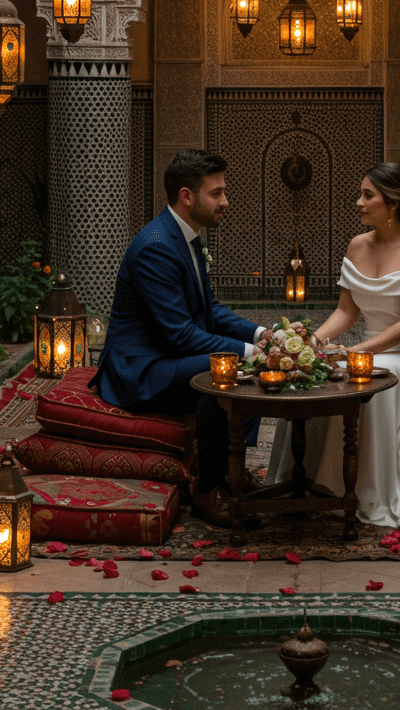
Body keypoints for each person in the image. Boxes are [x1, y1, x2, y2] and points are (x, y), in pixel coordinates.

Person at [91, 149, 270, 528]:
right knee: (226, 369)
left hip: (166, 352)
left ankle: (228, 470)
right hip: (140, 367)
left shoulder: (187, 237)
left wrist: (262, 334)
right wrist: (252, 352)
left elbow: (211, 312)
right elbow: (179, 335)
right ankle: (206, 489)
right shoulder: (156, 245)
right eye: (216, 193)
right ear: (186, 196)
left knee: (241, 362)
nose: (226, 201)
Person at [267, 162, 400, 528]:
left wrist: (356, 352)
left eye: (368, 195)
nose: (359, 202)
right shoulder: (357, 245)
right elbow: (345, 311)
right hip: (376, 350)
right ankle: (313, 484)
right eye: (361, 194)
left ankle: (367, 493)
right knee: (318, 375)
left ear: (393, 203)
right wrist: (311, 343)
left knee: (371, 380)